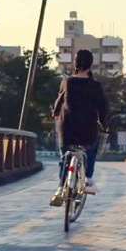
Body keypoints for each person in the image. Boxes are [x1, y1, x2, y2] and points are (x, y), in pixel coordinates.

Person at [50, 49, 108, 206]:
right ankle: (88, 179)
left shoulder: (67, 82)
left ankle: (61, 188)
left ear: (75, 64)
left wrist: (55, 115)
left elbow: (58, 105)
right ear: (90, 65)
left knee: (65, 157)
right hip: (87, 130)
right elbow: (102, 108)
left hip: (67, 129)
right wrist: (104, 124)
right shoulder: (95, 86)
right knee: (91, 149)